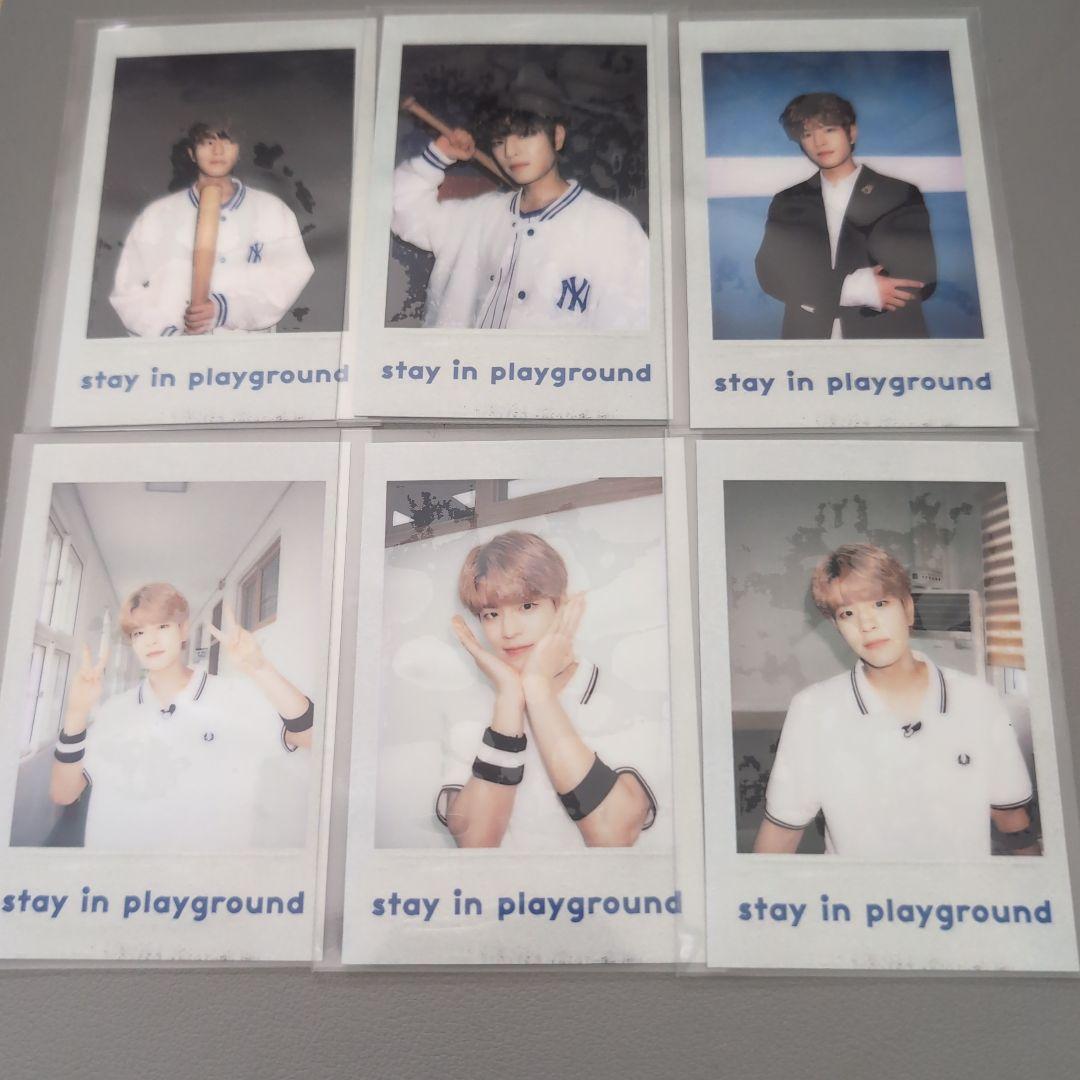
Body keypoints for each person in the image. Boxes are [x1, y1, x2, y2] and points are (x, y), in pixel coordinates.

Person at [753, 544, 1038, 858]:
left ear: (908, 609)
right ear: (837, 627)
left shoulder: (978, 699)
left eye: (880, 604)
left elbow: (1012, 819)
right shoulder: (813, 710)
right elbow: (781, 833)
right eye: (848, 613)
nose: (867, 624)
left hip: (960, 890)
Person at [49, 583, 315, 850]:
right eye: (139, 632)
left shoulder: (232, 696)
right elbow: (64, 794)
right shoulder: (114, 711)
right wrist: (76, 713)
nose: (151, 640)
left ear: (183, 630)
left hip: (207, 872)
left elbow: (311, 736)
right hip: (120, 871)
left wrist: (260, 668)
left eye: (162, 626)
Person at [437, 531, 657, 849]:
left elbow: (613, 834)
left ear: (561, 605)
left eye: (527, 606)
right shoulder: (468, 712)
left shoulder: (621, 695)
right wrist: (509, 700)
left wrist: (537, 689)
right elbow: (476, 843)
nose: (508, 631)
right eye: (492, 614)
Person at [390, 66, 649, 330]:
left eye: (525, 134)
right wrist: (439, 155)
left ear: (557, 137)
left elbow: (631, 332)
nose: (510, 151)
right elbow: (404, 210)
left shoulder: (614, 228)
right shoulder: (478, 216)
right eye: (499, 140)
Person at [755, 92, 937, 340]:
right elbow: (771, 273)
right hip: (806, 340)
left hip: (884, 338)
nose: (819, 142)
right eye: (807, 134)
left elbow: (917, 278)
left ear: (851, 132)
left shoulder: (899, 193)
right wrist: (852, 289)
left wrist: (814, 290)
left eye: (829, 130)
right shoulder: (788, 201)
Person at [109, 121, 314, 337]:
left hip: (246, 352)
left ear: (239, 150)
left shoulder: (271, 210)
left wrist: (225, 309)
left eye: (226, 141)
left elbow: (291, 274)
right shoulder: (158, 215)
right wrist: (167, 336)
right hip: (174, 351)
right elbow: (126, 290)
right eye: (207, 142)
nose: (217, 150)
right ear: (191, 153)